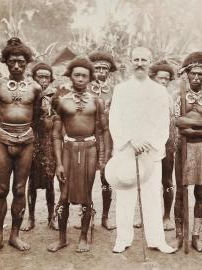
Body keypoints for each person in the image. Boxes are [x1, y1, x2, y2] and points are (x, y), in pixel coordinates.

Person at [109, 46, 176, 254]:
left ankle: (156, 240)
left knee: (152, 196)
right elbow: (115, 119)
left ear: (150, 62)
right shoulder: (121, 90)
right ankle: (123, 238)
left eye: (143, 60)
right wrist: (130, 140)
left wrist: (149, 143)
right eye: (136, 59)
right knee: (125, 194)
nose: (139, 63)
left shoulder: (159, 91)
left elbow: (163, 122)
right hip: (127, 149)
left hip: (151, 151)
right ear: (130, 61)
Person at [0, 37, 42, 255]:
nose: (16, 66)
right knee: (0, 189)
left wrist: (24, 134)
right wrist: (2, 134)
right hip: (2, 139)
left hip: (26, 141)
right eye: (12, 61)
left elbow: (35, 118)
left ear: (27, 63)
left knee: (19, 189)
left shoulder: (35, 88)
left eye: (21, 62)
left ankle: (15, 235)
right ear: (5, 62)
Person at [47, 57, 111, 253]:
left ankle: (83, 236)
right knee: (64, 195)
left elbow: (104, 129)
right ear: (70, 76)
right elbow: (57, 135)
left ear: (90, 78)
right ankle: (62, 238)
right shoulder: (61, 102)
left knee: (86, 194)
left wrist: (105, 156)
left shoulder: (97, 101)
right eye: (77, 75)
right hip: (68, 149)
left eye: (85, 75)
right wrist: (58, 163)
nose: (81, 79)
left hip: (90, 149)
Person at [173, 51, 202, 252]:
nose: (197, 77)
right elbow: (177, 121)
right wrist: (198, 123)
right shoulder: (178, 97)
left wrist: (195, 128)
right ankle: (179, 235)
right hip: (183, 146)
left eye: (201, 74)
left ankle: (196, 236)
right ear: (187, 75)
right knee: (180, 192)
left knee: (201, 191)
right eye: (193, 74)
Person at [21, 62, 58, 231]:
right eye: (40, 76)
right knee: (31, 181)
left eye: (46, 77)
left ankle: (52, 217)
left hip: (49, 141)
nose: (43, 80)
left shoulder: (55, 96)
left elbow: (59, 118)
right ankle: (31, 218)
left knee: (50, 180)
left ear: (51, 79)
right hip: (32, 139)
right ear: (34, 78)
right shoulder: (28, 94)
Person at [88, 51, 117, 230]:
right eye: (97, 68)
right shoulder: (85, 89)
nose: (100, 71)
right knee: (87, 178)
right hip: (89, 138)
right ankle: (88, 215)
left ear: (109, 71)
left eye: (104, 68)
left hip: (108, 139)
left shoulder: (115, 91)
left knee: (107, 179)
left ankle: (105, 217)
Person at [148, 60, 176, 231]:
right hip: (149, 144)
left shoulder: (171, 99)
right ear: (153, 78)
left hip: (167, 144)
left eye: (167, 78)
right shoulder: (145, 97)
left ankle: (167, 215)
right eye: (160, 78)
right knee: (147, 180)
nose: (164, 81)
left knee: (166, 180)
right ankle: (148, 215)